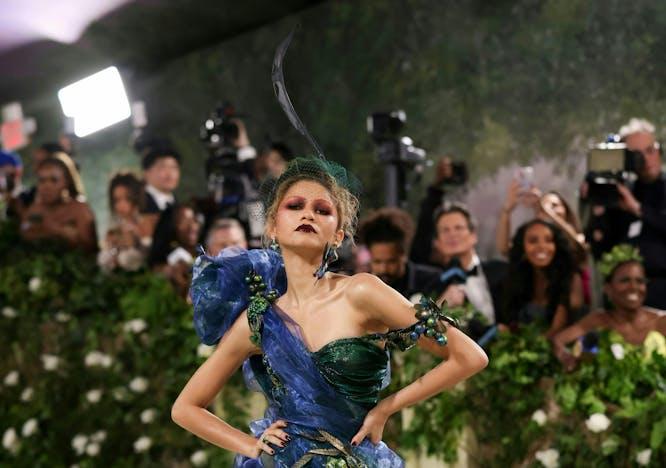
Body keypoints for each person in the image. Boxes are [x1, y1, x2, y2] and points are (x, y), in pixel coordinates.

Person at [171, 157, 488, 467]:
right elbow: (185, 408)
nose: (307, 214)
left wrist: (386, 408)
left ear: (338, 234)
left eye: (322, 210)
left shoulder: (362, 292)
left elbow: (469, 356)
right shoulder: (260, 319)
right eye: (295, 206)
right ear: (272, 227)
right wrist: (250, 445)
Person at [583, 118, 666, 310]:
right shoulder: (619, 192)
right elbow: (601, 250)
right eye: (636, 154)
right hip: (624, 302)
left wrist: (638, 209)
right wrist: (598, 205)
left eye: (650, 150)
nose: (646, 159)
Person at [552, 244, 666, 371]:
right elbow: (558, 341)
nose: (634, 287)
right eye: (625, 280)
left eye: (640, 281)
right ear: (608, 288)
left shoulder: (661, 321)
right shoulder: (599, 321)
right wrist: (566, 357)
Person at [427, 203, 508, 331]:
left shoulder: (501, 271)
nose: (452, 234)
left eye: (458, 228)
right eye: (445, 230)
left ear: (473, 235)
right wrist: (440, 305)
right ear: (437, 242)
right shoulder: (432, 283)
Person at [500, 219, 583, 337]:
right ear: (522, 247)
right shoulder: (516, 278)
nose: (542, 246)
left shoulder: (571, 278)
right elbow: (511, 322)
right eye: (533, 241)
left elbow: (557, 330)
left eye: (549, 240)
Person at [358, 207, 441, 300]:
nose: (384, 269)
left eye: (391, 262)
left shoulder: (431, 281)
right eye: (377, 262)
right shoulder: (362, 287)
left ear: (403, 255)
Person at [20, 157, 97, 253]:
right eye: (42, 180)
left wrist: (57, 230)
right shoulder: (36, 209)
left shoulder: (79, 209)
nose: (47, 186)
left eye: (54, 180)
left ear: (66, 181)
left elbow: (89, 247)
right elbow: (24, 232)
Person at [98, 172, 157, 271]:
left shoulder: (147, 221)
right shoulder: (115, 225)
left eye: (127, 199)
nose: (121, 205)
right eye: (117, 200)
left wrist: (136, 240)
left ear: (136, 198)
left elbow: (151, 255)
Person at [140, 146, 181, 214]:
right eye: (162, 167)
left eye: (174, 167)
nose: (170, 174)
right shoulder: (140, 202)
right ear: (146, 173)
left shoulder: (175, 203)